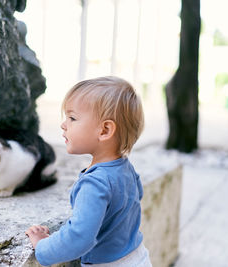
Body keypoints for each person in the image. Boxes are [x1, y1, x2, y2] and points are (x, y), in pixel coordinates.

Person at [25, 76, 152, 266]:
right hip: (138, 257)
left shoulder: (95, 183)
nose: (63, 124)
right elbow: (134, 199)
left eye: (72, 118)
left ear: (104, 130)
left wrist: (43, 245)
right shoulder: (126, 168)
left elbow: (79, 238)